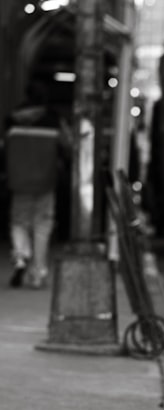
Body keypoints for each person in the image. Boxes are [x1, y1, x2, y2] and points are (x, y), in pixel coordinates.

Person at [4, 85, 69, 288]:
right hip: (45, 179)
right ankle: (38, 272)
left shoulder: (11, 120)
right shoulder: (53, 120)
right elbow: (68, 146)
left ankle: (21, 256)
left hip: (18, 179)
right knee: (43, 225)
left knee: (18, 221)